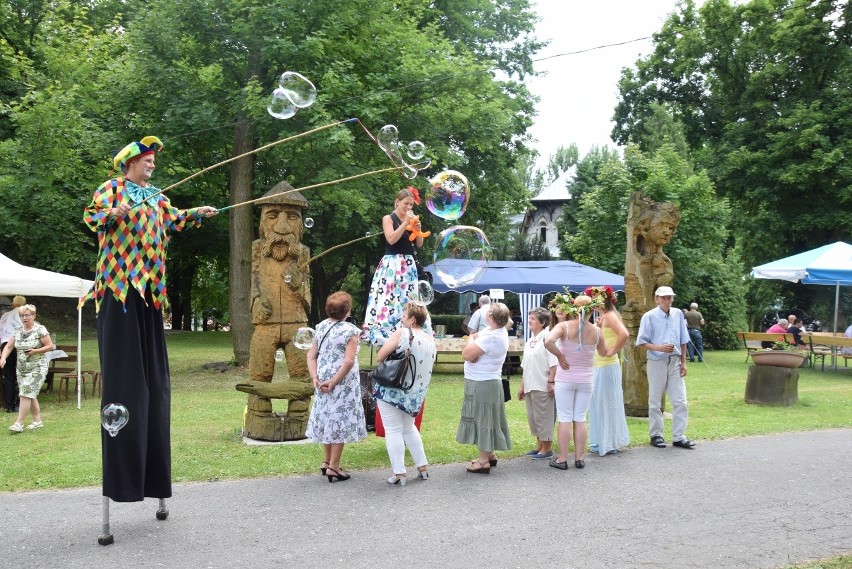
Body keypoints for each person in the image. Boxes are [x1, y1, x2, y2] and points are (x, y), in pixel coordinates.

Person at [83, 136, 218, 503]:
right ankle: (124, 479)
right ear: (130, 162)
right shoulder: (112, 188)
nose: (152, 164)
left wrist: (196, 213)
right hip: (119, 288)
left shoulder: (157, 196)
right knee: (127, 383)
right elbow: (91, 217)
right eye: (146, 159)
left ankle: (154, 480)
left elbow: (174, 221)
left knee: (155, 387)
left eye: (153, 160)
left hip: (151, 294)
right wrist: (114, 213)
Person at [306, 291, 367, 482]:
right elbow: (348, 361)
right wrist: (334, 382)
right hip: (342, 383)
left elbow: (311, 356)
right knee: (339, 420)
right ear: (347, 310)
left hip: (322, 379)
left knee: (326, 417)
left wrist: (315, 377)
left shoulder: (321, 327)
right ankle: (334, 466)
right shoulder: (351, 331)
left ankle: (326, 461)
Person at [374, 303, 436, 486]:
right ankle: (422, 467)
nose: (402, 317)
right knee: (409, 428)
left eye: (405, 315)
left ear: (412, 320)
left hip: (394, 389)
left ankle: (399, 472)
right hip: (415, 393)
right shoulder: (430, 340)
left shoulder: (402, 333)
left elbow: (380, 356)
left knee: (393, 430)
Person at [545, 293, 608, 469]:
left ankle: (562, 458)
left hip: (566, 378)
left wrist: (560, 355)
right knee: (580, 418)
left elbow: (548, 341)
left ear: (573, 308)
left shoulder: (564, 326)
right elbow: (603, 353)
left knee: (565, 417)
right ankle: (579, 458)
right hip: (586, 380)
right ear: (592, 310)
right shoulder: (596, 331)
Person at [363, 187, 429, 345]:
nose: (408, 207)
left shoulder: (412, 220)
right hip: (393, 264)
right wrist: (405, 223)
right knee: (390, 299)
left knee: (408, 299)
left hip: (408, 265)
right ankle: (387, 336)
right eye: (406, 203)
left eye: (411, 205)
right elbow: (391, 239)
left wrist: (417, 230)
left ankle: (408, 331)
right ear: (397, 202)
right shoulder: (389, 218)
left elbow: (418, 244)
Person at [636, 286, 695, 450]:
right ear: (656, 299)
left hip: (675, 360)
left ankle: (679, 436)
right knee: (655, 400)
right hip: (656, 360)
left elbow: (683, 340)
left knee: (680, 400)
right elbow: (641, 343)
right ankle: (656, 435)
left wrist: (684, 362)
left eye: (669, 297)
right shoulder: (649, 317)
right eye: (663, 298)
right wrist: (659, 348)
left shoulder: (678, 314)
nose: (667, 301)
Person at [457, 301, 513, 474]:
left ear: (490, 317)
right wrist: (473, 341)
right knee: (486, 418)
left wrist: (472, 344)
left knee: (483, 420)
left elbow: (466, 354)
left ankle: (483, 462)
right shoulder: (497, 330)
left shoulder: (492, 336)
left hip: (483, 382)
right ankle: (489, 455)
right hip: (485, 380)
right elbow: (474, 337)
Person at [586, 286, 631, 457]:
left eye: (595, 298)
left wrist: (613, 350)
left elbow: (624, 334)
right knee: (599, 402)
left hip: (606, 365)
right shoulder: (604, 316)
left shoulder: (611, 316)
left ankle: (609, 441)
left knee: (606, 402)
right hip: (600, 364)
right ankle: (601, 440)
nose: (593, 301)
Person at [0, 304, 53, 432]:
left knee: (25, 393)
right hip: (22, 368)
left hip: (38, 367)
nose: (24, 318)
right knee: (29, 394)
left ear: (34, 316)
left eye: (27, 315)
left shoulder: (40, 329)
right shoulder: (17, 330)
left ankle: (19, 423)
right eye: (22, 315)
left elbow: (50, 346)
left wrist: (36, 351)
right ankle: (37, 421)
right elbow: (8, 346)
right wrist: (3, 358)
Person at [518, 307, 557, 460]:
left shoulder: (548, 339)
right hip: (530, 384)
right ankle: (539, 445)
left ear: (542, 322)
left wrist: (551, 382)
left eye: (532, 319)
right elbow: (525, 365)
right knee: (534, 417)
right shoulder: (530, 341)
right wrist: (522, 386)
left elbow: (554, 364)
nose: (529, 321)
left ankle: (547, 448)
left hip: (542, 384)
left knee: (544, 417)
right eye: (530, 318)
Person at [0, 295, 26, 413]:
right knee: (22, 375)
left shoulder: (4, 316)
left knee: (8, 377)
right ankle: (20, 403)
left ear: (12, 304)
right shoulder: (24, 315)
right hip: (19, 346)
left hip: (5, 346)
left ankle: (9, 405)